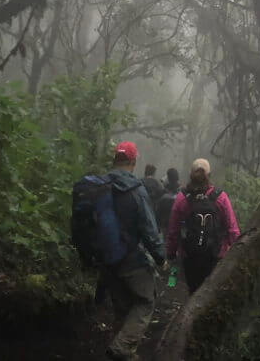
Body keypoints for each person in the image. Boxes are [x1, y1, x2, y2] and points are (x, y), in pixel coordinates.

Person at [103, 141, 167, 361]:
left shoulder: (100, 185)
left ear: (115, 159)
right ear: (133, 160)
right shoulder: (135, 190)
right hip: (131, 258)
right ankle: (122, 347)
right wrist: (160, 257)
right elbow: (149, 229)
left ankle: (123, 352)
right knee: (145, 301)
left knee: (122, 307)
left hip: (106, 258)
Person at [165, 158, 240, 293]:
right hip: (216, 256)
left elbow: (173, 230)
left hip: (190, 256)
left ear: (190, 175)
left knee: (194, 291)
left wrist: (171, 253)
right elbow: (232, 228)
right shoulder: (220, 197)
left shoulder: (182, 198)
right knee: (212, 294)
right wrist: (237, 256)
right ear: (209, 175)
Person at [155, 167, 181, 232]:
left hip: (165, 226)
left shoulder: (163, 197)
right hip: (177, 226)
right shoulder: (182, 195)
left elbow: (157, 213)